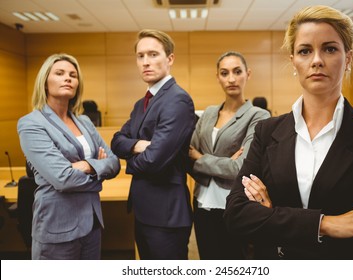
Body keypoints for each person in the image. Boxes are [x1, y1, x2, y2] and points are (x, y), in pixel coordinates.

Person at [224, 5, 353, 259]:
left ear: (349, 57)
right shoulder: (267, 132)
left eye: (330, 48)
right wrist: (327, 223)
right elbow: (237, 214)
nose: (316, 60)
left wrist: (272, 213)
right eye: (305, 51)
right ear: (293, 60)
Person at [17, 53, 121, 260]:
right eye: (60, 73)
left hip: (91, 224)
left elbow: (114, 163)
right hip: (57, 228)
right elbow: (63, 178)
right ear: (45, 82)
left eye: (73, 75)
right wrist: (98, 168)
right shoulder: (31, 123)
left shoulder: (85, 122)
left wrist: (84, 166)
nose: (68, 78)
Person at [111, 29, 195, 260]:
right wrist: (138, 145)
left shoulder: (177, 99)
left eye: (153, 54)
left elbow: (154, 161)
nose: (146, 62)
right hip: (144, 211)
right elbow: (116, 141)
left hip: (166, 215)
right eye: (140, 56)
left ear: (170, 59)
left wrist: (129, 159)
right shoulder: (142, 103)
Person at [188, 51, 270, 259]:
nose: (231, 79)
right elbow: (187, 158)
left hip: (234, 207)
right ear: (218, 77)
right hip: (202, 203)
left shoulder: (259, 116)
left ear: (248, 74)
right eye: (224, 73)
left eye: (237, 71)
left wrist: (201, 157)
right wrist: (223, 162)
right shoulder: (207, 114)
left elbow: (240, 168)